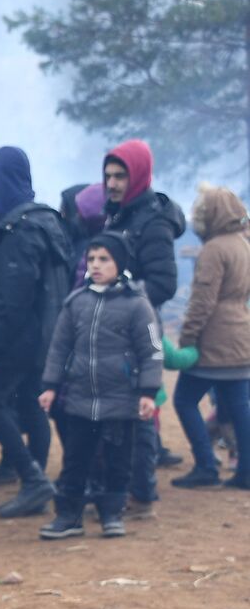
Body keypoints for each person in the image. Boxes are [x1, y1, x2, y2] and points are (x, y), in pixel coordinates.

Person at [37, 233, 161, 538]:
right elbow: (59, 347)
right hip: (80, 399)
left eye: (104, 259)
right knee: (76, 460)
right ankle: (69, 516)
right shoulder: (76, 302)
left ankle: (111, 514)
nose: (95, 265)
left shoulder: (137, 305)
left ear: (119, 263)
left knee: (119, 460)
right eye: (91, 259)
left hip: (121, 400)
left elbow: (151, 351)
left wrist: (147, 393)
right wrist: (51, 385)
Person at [0, 146, 70, 518]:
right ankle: (36, 479)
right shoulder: (48, 221)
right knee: (29, 403)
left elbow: (13, 298)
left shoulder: (20, 228)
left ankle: (32, 478)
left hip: (19, 339)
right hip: (45, 336)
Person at [102, 140, 186, 514]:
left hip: (139, 328)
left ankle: (142, 494)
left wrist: (125, 298)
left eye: (120, 176)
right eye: (108, 176)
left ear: (137, 176)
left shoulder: (152, 221)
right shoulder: (119, 214)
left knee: (140, 412)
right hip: (114, 329)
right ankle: (121, 488)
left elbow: (164, 282)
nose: (112, 183)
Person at [171, 184, 250, 489]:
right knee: (240, 405)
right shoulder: (243, 244)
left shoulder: (214, 250)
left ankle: (206, 465)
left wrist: (188, 338)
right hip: (242, 336)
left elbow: (203, 301)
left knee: (185, 399)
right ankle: (245, 471)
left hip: (215, 340)